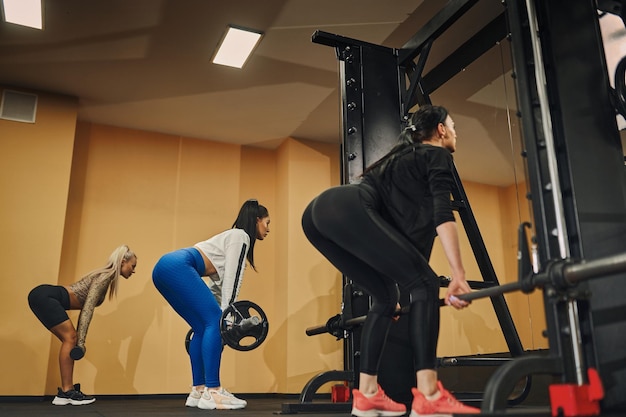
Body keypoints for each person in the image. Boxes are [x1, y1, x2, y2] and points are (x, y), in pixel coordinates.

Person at [302, 104, 480, 417]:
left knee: (385, 297)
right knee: (425, 281)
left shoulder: (401, 160)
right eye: (453, 125)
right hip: (346, 206)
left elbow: (399, 244)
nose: (455, 132)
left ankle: (367, 394)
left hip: (316, 216)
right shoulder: (436, 154)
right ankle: (428, 395)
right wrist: (458, 275)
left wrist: (397, 292)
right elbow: (443, 214)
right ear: (440, 130)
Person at [152, 199, 270, 410]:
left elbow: (217, 287)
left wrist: (221, 315)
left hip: (163, 269)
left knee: (203, 327)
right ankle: (213, 392)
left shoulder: (229, 237)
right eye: (267, 223)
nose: (268, 229)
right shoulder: (240, 236)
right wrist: (227, 316)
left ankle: (198, 390)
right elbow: (233, 279)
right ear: (257, 219)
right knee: (214, 322)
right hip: (179, 266)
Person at [28, 245, 138, 406]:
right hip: (45, 296)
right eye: (132, 266)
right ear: (123, 262)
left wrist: (79, 341)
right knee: (71, 338)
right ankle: (67, 392)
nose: (133, 270)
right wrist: (81, 342)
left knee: (69, 340)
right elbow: (87, 309)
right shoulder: (104, 277)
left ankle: (67, 391)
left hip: (41, 296)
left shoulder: (105, 277)